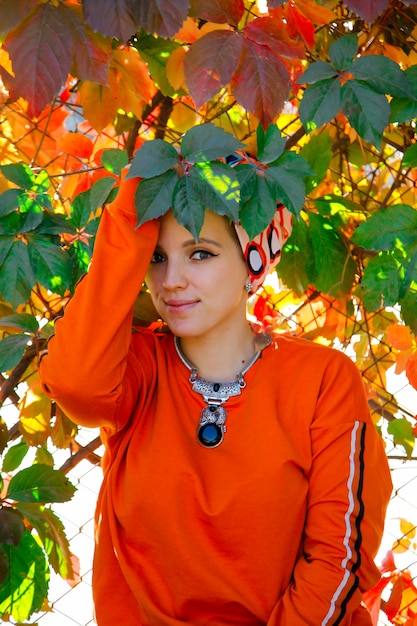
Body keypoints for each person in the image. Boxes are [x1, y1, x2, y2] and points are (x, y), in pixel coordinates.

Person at [39, 169, 392, 626]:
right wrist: (135, 201)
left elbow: (339, 556)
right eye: (156, 257)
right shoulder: (136, 371)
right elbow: (74, 383)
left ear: (253, 261)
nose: (171, 281)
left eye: (200, 254)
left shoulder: (321, 379)